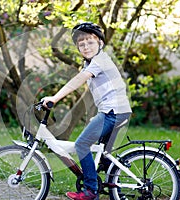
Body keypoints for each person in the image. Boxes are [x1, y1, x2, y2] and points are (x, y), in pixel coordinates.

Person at [42, 22, 132, 200]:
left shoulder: (100, 61)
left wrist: (54, 98)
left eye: (90, 42)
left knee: (81, 145)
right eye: (81, 44)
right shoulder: (92, 62)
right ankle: (116, 189)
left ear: (100, 42)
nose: (85, 46)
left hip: (113, 112)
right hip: (117, 110)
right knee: (102, 154)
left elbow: (78, 81)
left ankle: (90, 190)